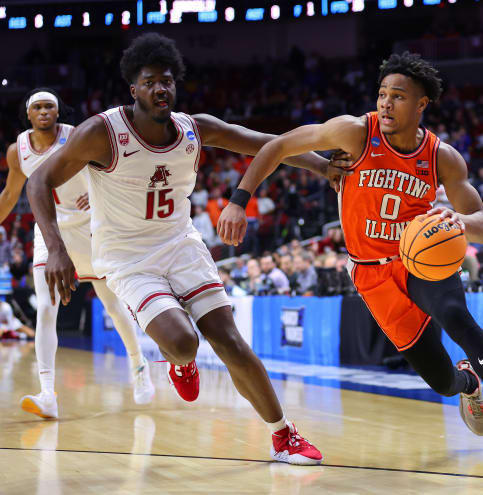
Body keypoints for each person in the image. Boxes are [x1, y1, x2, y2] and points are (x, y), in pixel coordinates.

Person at [218, 51, 483, 472]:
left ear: (422, 104)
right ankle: (468, 382)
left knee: (456, 315)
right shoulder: (355, 132)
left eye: (398, 96)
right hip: (370, 272)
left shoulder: (442, 157)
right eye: (382, 94)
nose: (385, 103)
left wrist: (458, 219)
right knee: (439, 378)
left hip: (420, 258)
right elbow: (280, 145)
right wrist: (239, 200)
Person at [28, 33, 348, 465]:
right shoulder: (101, 133)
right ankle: (180, 362)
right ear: (133, 88)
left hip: (181, 246)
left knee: (230, 341)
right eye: (150, 81)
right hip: (128, 259)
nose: (161, 89)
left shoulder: (193, 129)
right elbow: (38, 182)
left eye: (167, 81)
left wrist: (324, 165)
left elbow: (266, 144)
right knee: (182, 342)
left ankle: (283, 435)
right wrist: (57, 249)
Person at [0, 88, 155, 419]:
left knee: (112, 304)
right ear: (28, 114)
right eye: (37, 107)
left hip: (91, 227)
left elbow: (116, 170)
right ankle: (47, 393)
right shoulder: (18, 151)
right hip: (50, 232)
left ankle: (138, 364)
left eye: (49, 106)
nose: (43, 111)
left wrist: (99, 195)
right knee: (45, 306)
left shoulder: (78, 137)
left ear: (58, 112)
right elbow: (11, 194)